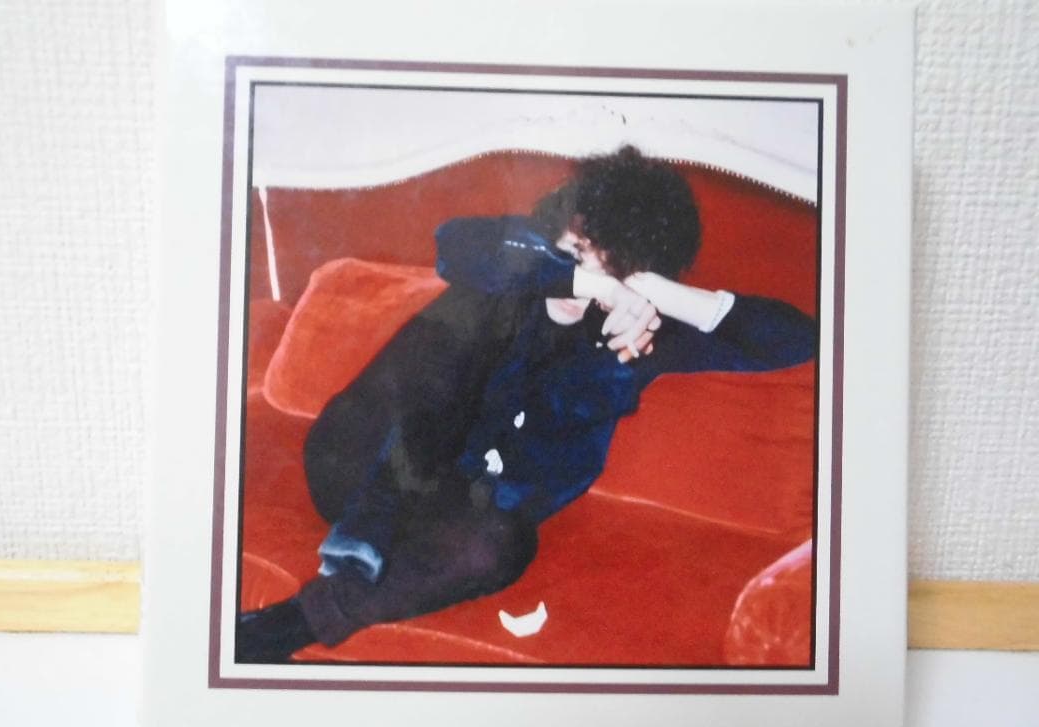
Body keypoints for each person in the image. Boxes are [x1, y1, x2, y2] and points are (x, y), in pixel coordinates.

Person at [235, 145, 816, 663]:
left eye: (612, 266)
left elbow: (796, 337)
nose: (587, 276)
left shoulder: (636, 333)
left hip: (452, 515)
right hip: (356, 461)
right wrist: (591, 282)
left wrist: (659, 295)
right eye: (576, 251)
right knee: (467, 319)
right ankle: (365, 533)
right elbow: (457, 244)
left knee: (499, 546)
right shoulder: (506, 276)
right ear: (553, 232)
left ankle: (298, 620)